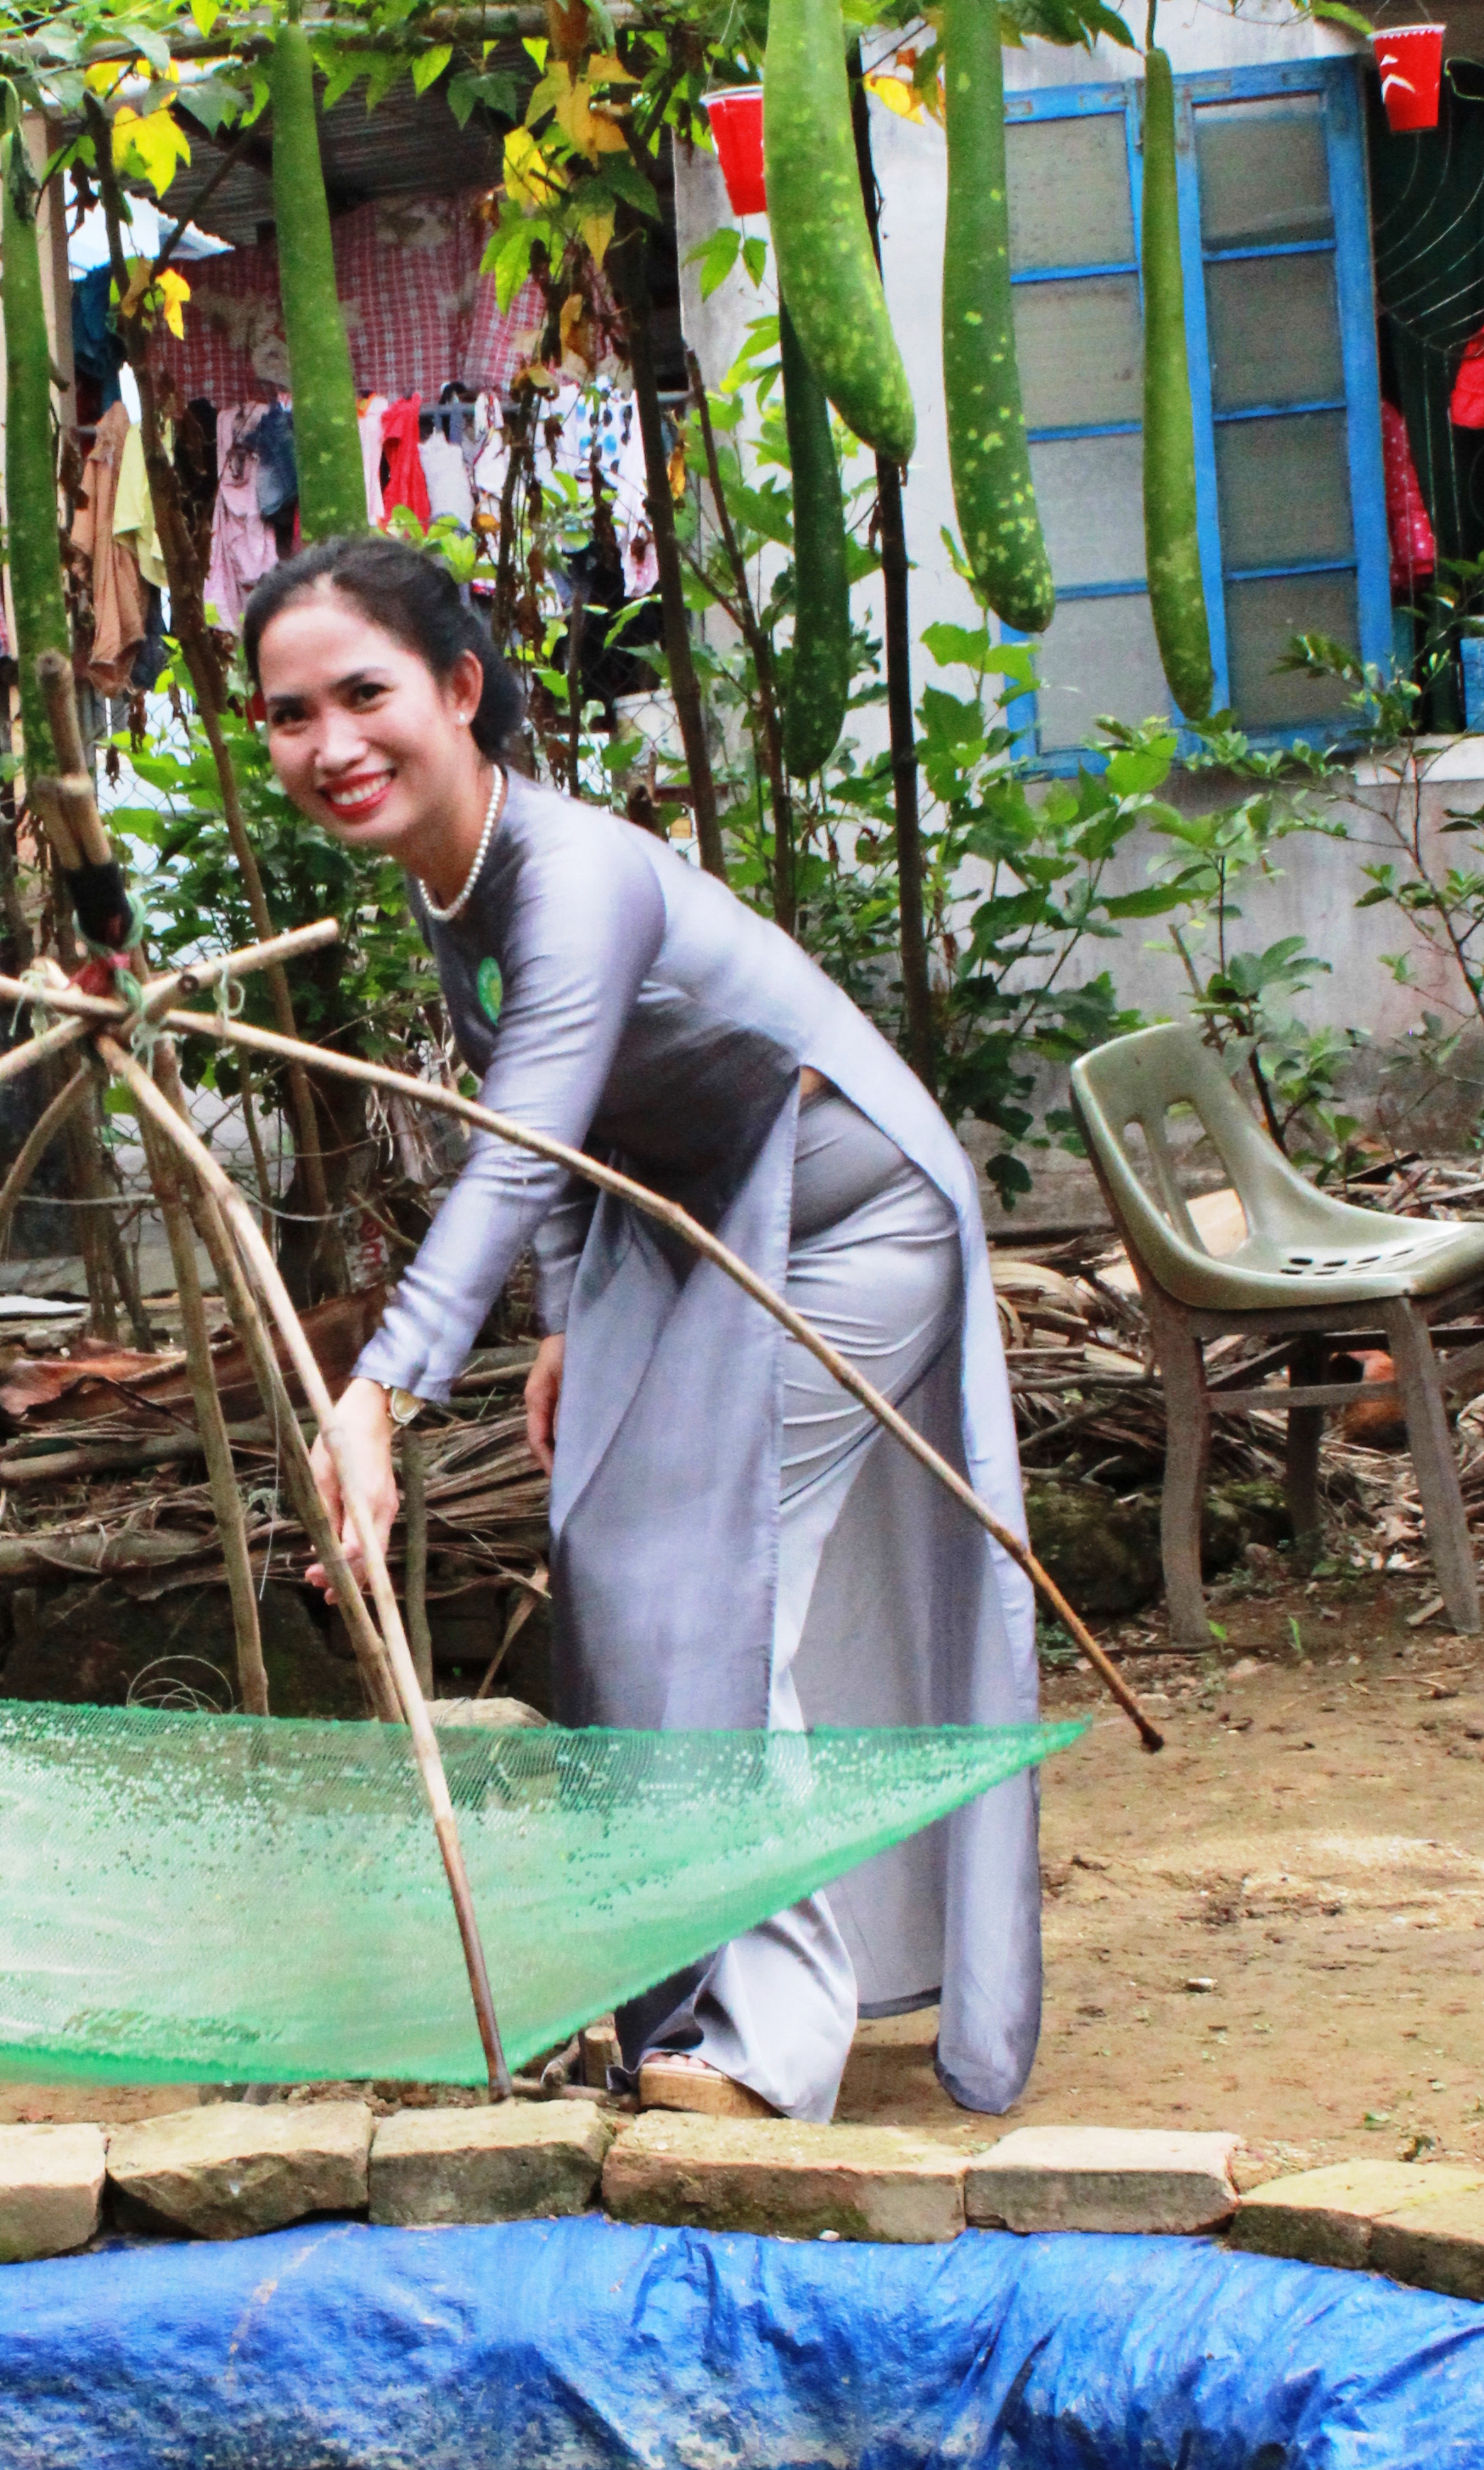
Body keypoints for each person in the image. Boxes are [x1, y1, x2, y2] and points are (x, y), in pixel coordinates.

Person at [242, 534, 1043, 2121]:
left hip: (848, 1225)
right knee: (625, 1558)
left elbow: (522, 1137)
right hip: (697, 1227)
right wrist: (552, 1323)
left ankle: (761, 2049)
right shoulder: (454, 881)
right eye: (286, 715)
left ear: (461, 691)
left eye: (364, 694)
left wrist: (379, 1392)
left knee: (713, 1576)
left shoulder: (575, 873)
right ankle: (692, 1992)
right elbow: (548, 1112)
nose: (329, 745)